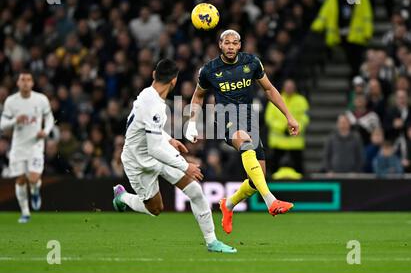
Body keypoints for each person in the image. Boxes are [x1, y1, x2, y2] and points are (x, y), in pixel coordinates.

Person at [112, 59, 236, 253]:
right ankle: (123, 197)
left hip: (158, 149)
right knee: (155, 209)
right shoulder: (156, 107)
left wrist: (168, 139)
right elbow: (154, 150)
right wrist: (186, 166)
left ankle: (212, 242)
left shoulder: (146, 94)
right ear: (174, 81)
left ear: (154, 74)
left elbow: (146, 129)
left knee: (195, 191)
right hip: (138, 162)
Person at [185, 29, 299, 235]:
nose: (230, 46)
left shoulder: (252, 63)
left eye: (234, 43)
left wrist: (289, 116)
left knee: (257, 179)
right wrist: (192, 123)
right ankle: (271, 201)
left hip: (249, 120)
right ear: (220, 45)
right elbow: (198, 97)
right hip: (225, 120)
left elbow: (269, 90)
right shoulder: (209, 70)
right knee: (244, 143)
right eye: (226, 43)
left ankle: (228, 205)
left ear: (240, 45)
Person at [0, 70, 54, 223]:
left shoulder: (41, 99)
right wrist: (15, 120)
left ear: (32, 83)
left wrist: (46, 131)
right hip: (18, 146)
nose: (25, 82)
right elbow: (3, 125)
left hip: (36, 145)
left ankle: (35, 191)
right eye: (22, 79)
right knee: (21, 179)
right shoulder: (11, 101)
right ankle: (25, 213)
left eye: (28, 80)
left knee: (33, 177)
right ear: (18, 83)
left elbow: (49, 117)